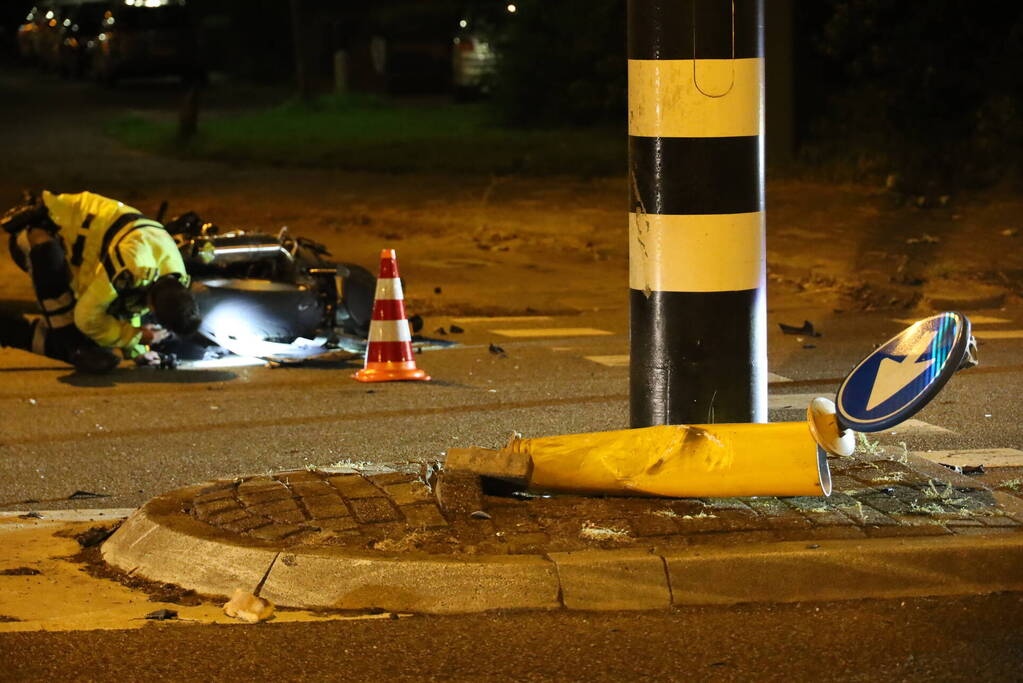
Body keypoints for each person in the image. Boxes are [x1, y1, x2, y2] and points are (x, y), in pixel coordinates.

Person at [1, 190, 201, 372]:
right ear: (155, 309)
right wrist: (136, 336)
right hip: (37, 235)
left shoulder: (172, 271)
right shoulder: (132, 268)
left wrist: (137, 349)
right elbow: (86, 317)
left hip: (76, 243)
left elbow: (128, 303)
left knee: (98, 337)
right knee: (77, 342)